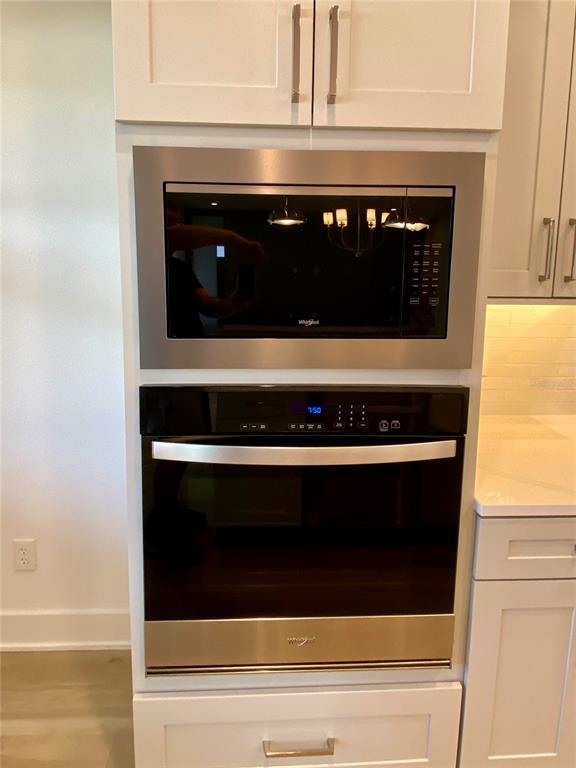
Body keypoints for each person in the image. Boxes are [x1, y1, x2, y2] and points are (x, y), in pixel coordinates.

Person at [165, 205, 265, 337]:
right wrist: (233, 239)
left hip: (194, 347)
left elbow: (208, 305)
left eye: (178, 223)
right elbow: (169, 237)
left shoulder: (180, 267)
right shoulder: (144, 263)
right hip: (164, 351)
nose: (178, 227)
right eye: (169, 223)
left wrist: (232, 303)